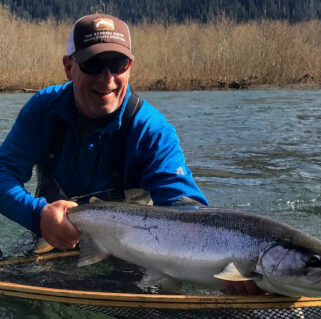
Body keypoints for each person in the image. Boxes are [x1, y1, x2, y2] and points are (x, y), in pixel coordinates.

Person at [0, 13, 261, 296]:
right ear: (68, 67)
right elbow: (3, 174)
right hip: (53, 238)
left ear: (130, 67)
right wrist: (37, 215)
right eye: (94, 64)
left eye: (117, 64)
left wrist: (228, 261)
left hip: (130, 254)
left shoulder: (152, 130)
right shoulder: (42, 111)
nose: (107, 78)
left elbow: (186, 209)